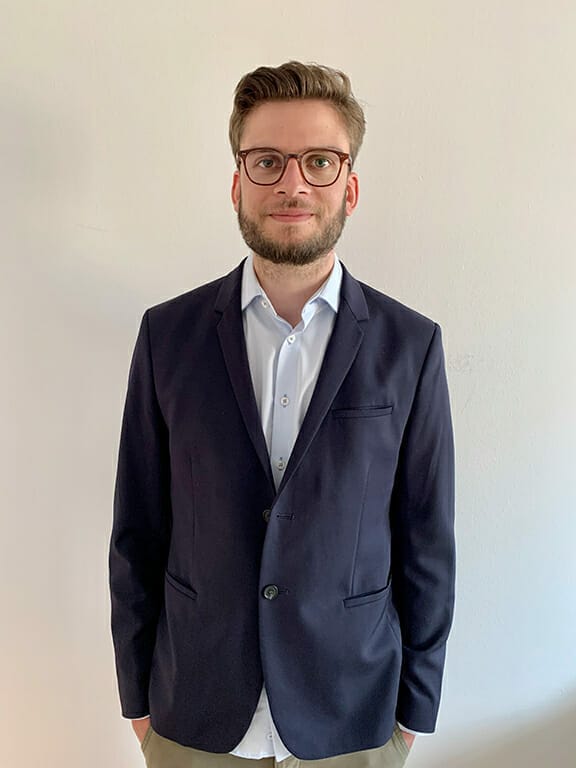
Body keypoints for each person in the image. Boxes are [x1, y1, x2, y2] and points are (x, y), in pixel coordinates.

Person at [109, 61, 456, 768]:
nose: (293, 184)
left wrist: (413, 713)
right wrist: (138, 699)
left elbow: (427, 541)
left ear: (349, 186)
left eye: (319, 161)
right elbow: (137, 530)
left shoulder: (410, 346)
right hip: (192, 715)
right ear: (238, 183)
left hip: (352, 718)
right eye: (267, 161)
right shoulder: (166, 335)